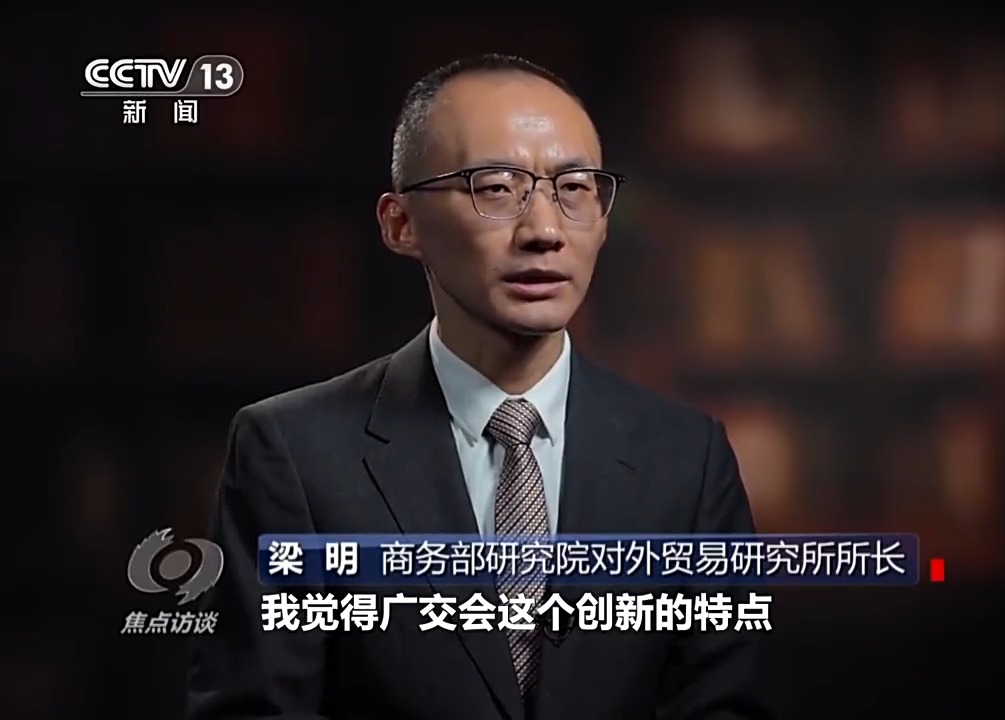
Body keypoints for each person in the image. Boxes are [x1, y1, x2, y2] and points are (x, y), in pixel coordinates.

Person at [186, 53, 770, 720]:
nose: (544, 231)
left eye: (575, 188)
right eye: (495, 187)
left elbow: (724, 707)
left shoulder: (688, 459)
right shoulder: (292, 453)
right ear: (401, 223)